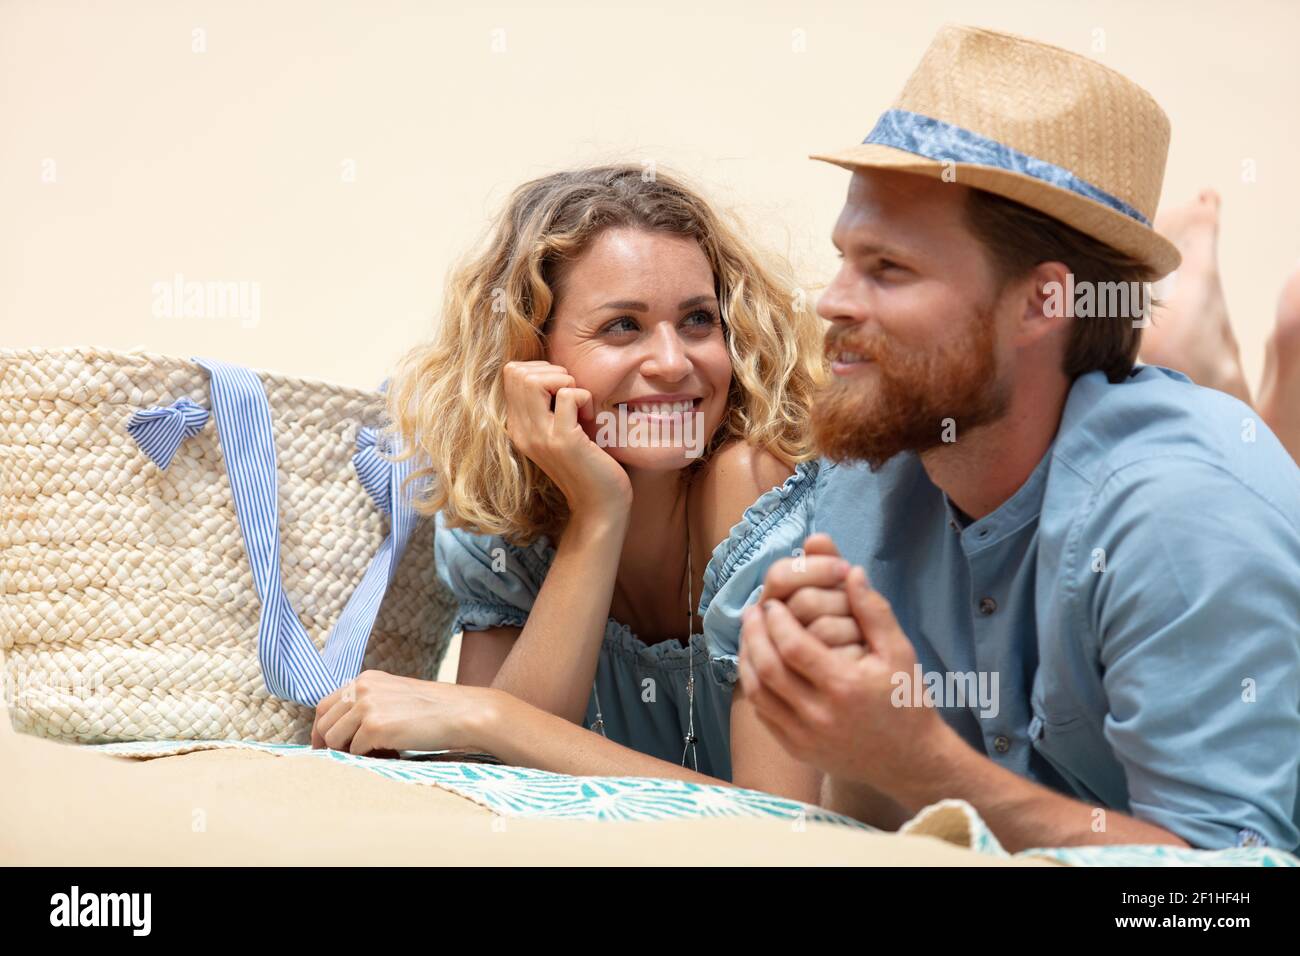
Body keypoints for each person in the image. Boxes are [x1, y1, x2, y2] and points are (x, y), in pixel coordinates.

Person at [734, 25, 1300, 851]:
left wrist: (922, 762)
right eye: (843, 258)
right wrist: (845, 727)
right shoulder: (879, 473)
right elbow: (868, 830)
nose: (832, 301)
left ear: (1042, 303)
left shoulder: (1177, 521)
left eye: (887, 269)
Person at [312, 164, 830, 803]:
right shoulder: (506, 518)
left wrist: (492, 715)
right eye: (623, 326)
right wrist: (597, 511)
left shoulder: (752, 489)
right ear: (531, 350)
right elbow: (491, 785)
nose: (673, 362)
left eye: (698, 320)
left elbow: (782, 819)